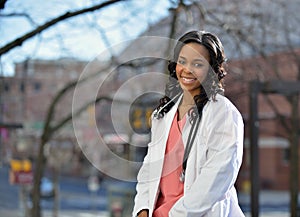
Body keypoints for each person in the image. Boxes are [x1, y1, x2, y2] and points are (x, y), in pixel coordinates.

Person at [132, 30, 245, 217]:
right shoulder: (163, 114)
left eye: (198, 64)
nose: (187, 69)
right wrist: (143, 209)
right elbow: (149, 168)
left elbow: (217, 178)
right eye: (182, 61)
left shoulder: (222, 112)